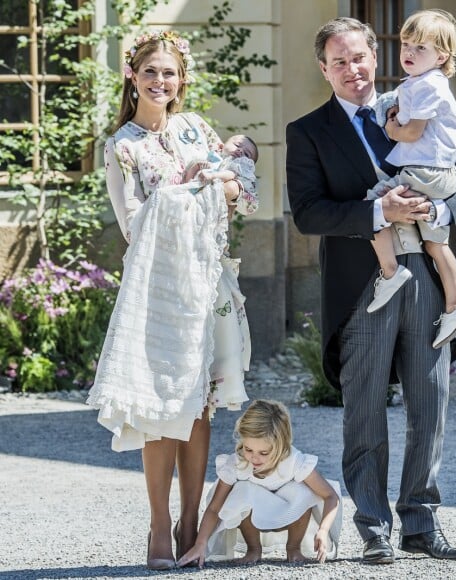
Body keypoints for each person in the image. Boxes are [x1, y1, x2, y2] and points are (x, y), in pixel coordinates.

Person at [286, 16, 456, 564]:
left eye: (359, 57)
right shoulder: (307, 131)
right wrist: (377, 209)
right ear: (324, 69)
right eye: (338, 61)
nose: (352, 70)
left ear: (376, 56)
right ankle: (373, 527)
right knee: (365, 408)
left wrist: (443, 207)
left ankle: (421, 522)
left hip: (425, 276)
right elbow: (307, 214)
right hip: (362, 286)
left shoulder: (414, 100)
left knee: (430, 404)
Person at [85, 30, 258, 570]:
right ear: (133, 76)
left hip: (206, 285)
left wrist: (217, 183)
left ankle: (191, 521)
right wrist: (195, 190)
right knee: (157, 407)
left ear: (182, 80)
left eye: (171, 72)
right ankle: (160, 525)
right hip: (157, 292)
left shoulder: (196, 128)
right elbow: (135, 224)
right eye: (152, 71)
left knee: (200, 406)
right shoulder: (123, 147)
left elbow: (243, 195)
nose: (162, 81)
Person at [365, 10, 456, 349]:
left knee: (374, 203)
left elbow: (412, 132)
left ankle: (390, 272)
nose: (409, 53)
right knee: (436, 244)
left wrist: (390, 127)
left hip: (427, 172)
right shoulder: (423, 83)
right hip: (435, 173)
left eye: (420, 48)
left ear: (442, 56)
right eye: (405, 45)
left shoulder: (428, 84)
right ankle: (455, 304)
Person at [176, 399, 342, 567]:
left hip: (288, 516)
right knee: (241, 489)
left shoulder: (295, 462)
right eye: (248, 449)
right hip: (253, 520)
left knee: (304, 489)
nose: (254, 458)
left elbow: (330, 496)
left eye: (263, 452)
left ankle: (293, 548)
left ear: (281, 445)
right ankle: (253, 549)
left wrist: (323, 530)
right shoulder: (237, 464)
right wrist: (200, 544)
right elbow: (214, 508)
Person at [184, 133, 258, 220]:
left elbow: (231, 174)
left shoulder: (237, 165)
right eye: (237, 145)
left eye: (246, 154)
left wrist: (213, 175)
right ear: (222, 145)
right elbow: (191, 178)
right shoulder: (212, 156)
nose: (240, 151)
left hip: (213, 204)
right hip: (193, 195)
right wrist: (196, 167)